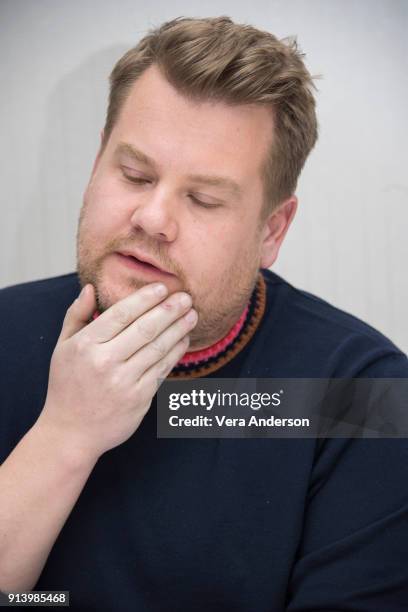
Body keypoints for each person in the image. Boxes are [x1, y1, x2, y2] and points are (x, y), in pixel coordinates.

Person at [0, 15, 407, 611]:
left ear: (271, 230)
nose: (152, 218)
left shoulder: (360, 397)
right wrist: (66, 434)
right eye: (134, 174)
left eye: (203, 199)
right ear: (95, 165)